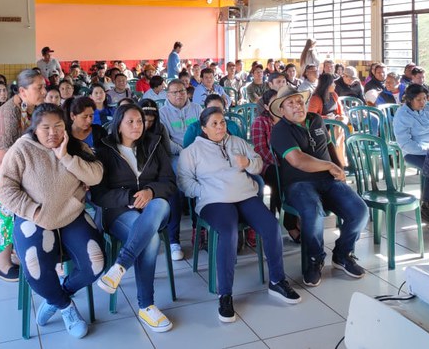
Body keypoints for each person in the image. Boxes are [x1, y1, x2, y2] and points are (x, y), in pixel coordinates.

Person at [178, 107, 302, 322]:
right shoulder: (191, 152)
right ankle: (225, 294)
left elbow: (258, 164)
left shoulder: (237, 142)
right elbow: (184, 182)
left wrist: (247, 163)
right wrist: (205, 191)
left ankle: (277, 281)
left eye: (222, 122)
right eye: (214, 124)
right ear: (204, 128)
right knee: (228, 232)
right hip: (214, 201)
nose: (220, 127)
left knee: (271, 225)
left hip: (245, 195)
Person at [0, 104, 104, 339]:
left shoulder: (74, 146)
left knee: (95, 263)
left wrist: (65, 157)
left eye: (58, 126)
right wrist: (33, 212)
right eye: (45, 127)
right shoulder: (22, 149)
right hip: (34, 218)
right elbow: (4, 189)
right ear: (35, 129)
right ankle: (65, 307)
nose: (52, 133)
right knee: (35, 267)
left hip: (71, 214)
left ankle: (57, 296)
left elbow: (95, 176)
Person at [269, 86, 368, 287]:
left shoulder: (316, 120)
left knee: (360, 210)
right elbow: (297, 160)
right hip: (298, 184)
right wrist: (330, 166)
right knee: (313, 212)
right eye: (291, 104)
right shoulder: (280, 131)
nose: (297, 106)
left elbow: (329, 146)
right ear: (282, 111)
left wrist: (339, 169)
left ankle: (342, 254)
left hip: (328, 181)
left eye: (299, 101)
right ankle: (314, 259)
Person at [92, 103, 177, 334]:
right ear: (118, 124)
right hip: (120, 211)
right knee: (150, 240)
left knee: (159, 203)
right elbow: (98, 195)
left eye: (139, 121)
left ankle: (120, 266)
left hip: (155, 209)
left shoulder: (154, 144)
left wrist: (150, 192)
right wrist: (128, 196)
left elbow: (170, 182)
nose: (136, 126)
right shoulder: (104, 150)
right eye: (130, 121)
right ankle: (146, 305)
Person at [0, 68, 47, 281]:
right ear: (22, 91)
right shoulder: (8, 118)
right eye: (38, 88)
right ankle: (2, 264)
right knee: (8, 208)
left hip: (9, 169)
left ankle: (19, 248)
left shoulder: (29, 109)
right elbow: (2, 163)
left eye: (44, 86)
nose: (44, 91)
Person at [158, 78, 203, 260]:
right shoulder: (163, 113)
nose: (179, 95)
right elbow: (165, 141)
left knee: (206, 182)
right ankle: (174, 239)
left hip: (198, 153)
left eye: (182, 91)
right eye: (174, 92)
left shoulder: (197, 109)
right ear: (167, 95)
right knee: (175, 186)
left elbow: (204, 131)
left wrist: (194, 151)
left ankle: (200, 230)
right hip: (176, 155)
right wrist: (184, 150)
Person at [251, 89, 300, 241]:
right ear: (267, 107)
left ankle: (301, 216)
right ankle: (290, 224)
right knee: (278, 176)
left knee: (300, 177)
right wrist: (281, 163)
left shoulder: (289, 121)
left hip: (288, 162)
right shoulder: (260, 122)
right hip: (267, 164)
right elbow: (261, 150)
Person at [392, 84, 429, 220]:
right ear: (409, 100)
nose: (423, 102)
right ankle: (426, 203)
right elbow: (406, 144)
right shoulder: (402, 115)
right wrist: (428, 151)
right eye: (419, 99)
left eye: (425, 98)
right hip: (414, 151)